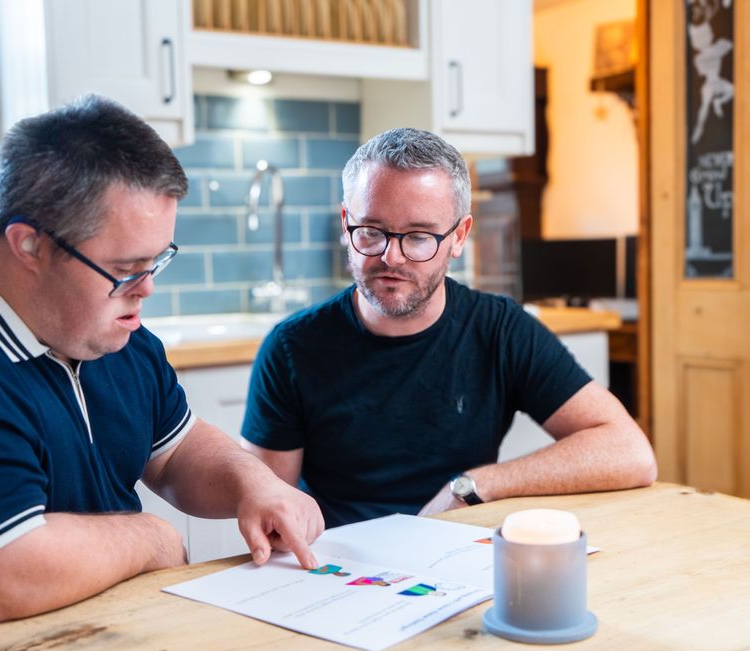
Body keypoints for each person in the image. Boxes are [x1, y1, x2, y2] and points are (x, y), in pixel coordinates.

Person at [0, 95, 323, 634]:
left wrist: (255, 484)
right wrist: (151, 537)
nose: (148, 287)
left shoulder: (103, 329)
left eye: (157, 260)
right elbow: (5, 575)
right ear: (29, 246)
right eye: (127, 268)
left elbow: (175, 451)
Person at [240, 128, 657, 529]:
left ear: (459, 236)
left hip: (458, 557)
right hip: (338, 569)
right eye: (370, 232)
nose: (392, 257)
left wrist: (473, 487)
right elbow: (266, 505)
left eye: (419, 237)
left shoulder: (500, 331)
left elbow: (630, 452)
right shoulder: (292, 348)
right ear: (346, 224)